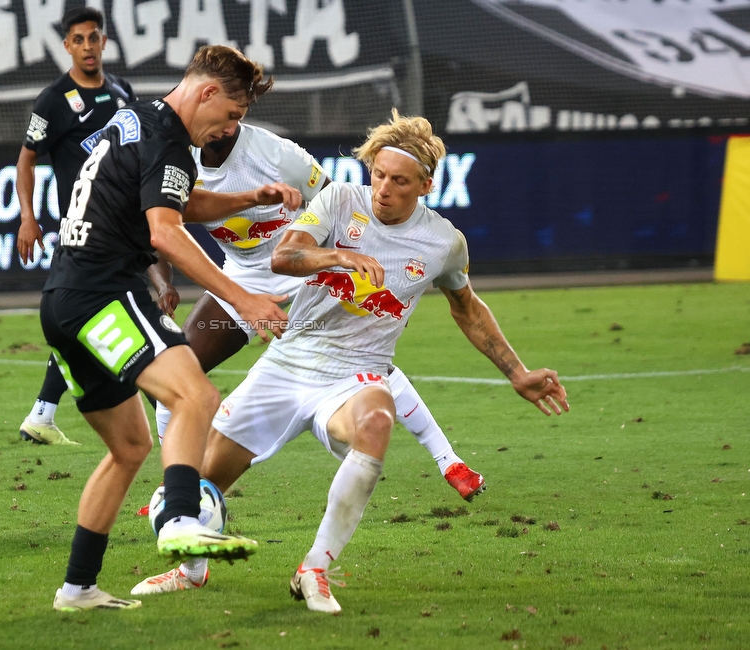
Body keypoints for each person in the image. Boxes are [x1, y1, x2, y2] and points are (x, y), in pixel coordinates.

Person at [132, 110, 570, 613]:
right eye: (378, 174)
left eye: (399, 181)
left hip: (354, 374)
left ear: (426, 185)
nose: (383, 188)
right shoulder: (340, 200)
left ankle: (314, 568)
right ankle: (191, 573)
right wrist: (337, 257)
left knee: (377, 418)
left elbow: (467, 308)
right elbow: (284, 257)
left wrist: (518, 373)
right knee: (203, 481)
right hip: (288, 364)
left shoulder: (444, 243)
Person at [41, 44, 303, 612]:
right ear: (207, 91)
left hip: (62, 300)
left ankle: (77, 587)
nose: (228, 128)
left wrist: (245, 199)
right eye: (232, 114)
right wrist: (243, 298)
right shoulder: (171, 141)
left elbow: (178, 200)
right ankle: (182, 519)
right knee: (196, 395)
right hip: (103, 293)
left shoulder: (135, 120)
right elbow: (164, 230)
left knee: (131, 447)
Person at [151, 122, 486, 507]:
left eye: (233, 110)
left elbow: (336, 201)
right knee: (177, 371)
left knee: (365, 355)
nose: (219, 123)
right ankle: (176, 489)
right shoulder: (180, 161)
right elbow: (160, 221)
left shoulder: (276, 153)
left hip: (308, 264)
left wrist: (362, 274)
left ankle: (449, 460)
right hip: (246, 277)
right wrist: (163, 283)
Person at [15, 6, 176, 446]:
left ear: (104, 41)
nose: (88, 46)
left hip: (123, 222)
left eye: (94, 37)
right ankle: (168, 410)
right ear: (67, 45)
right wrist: (29, 218)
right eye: (78, 39)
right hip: (82, 230)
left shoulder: (124, 91)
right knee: (100, 314)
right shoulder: (53, 101)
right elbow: (26, 159)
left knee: (88, 318)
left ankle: (42, 415)